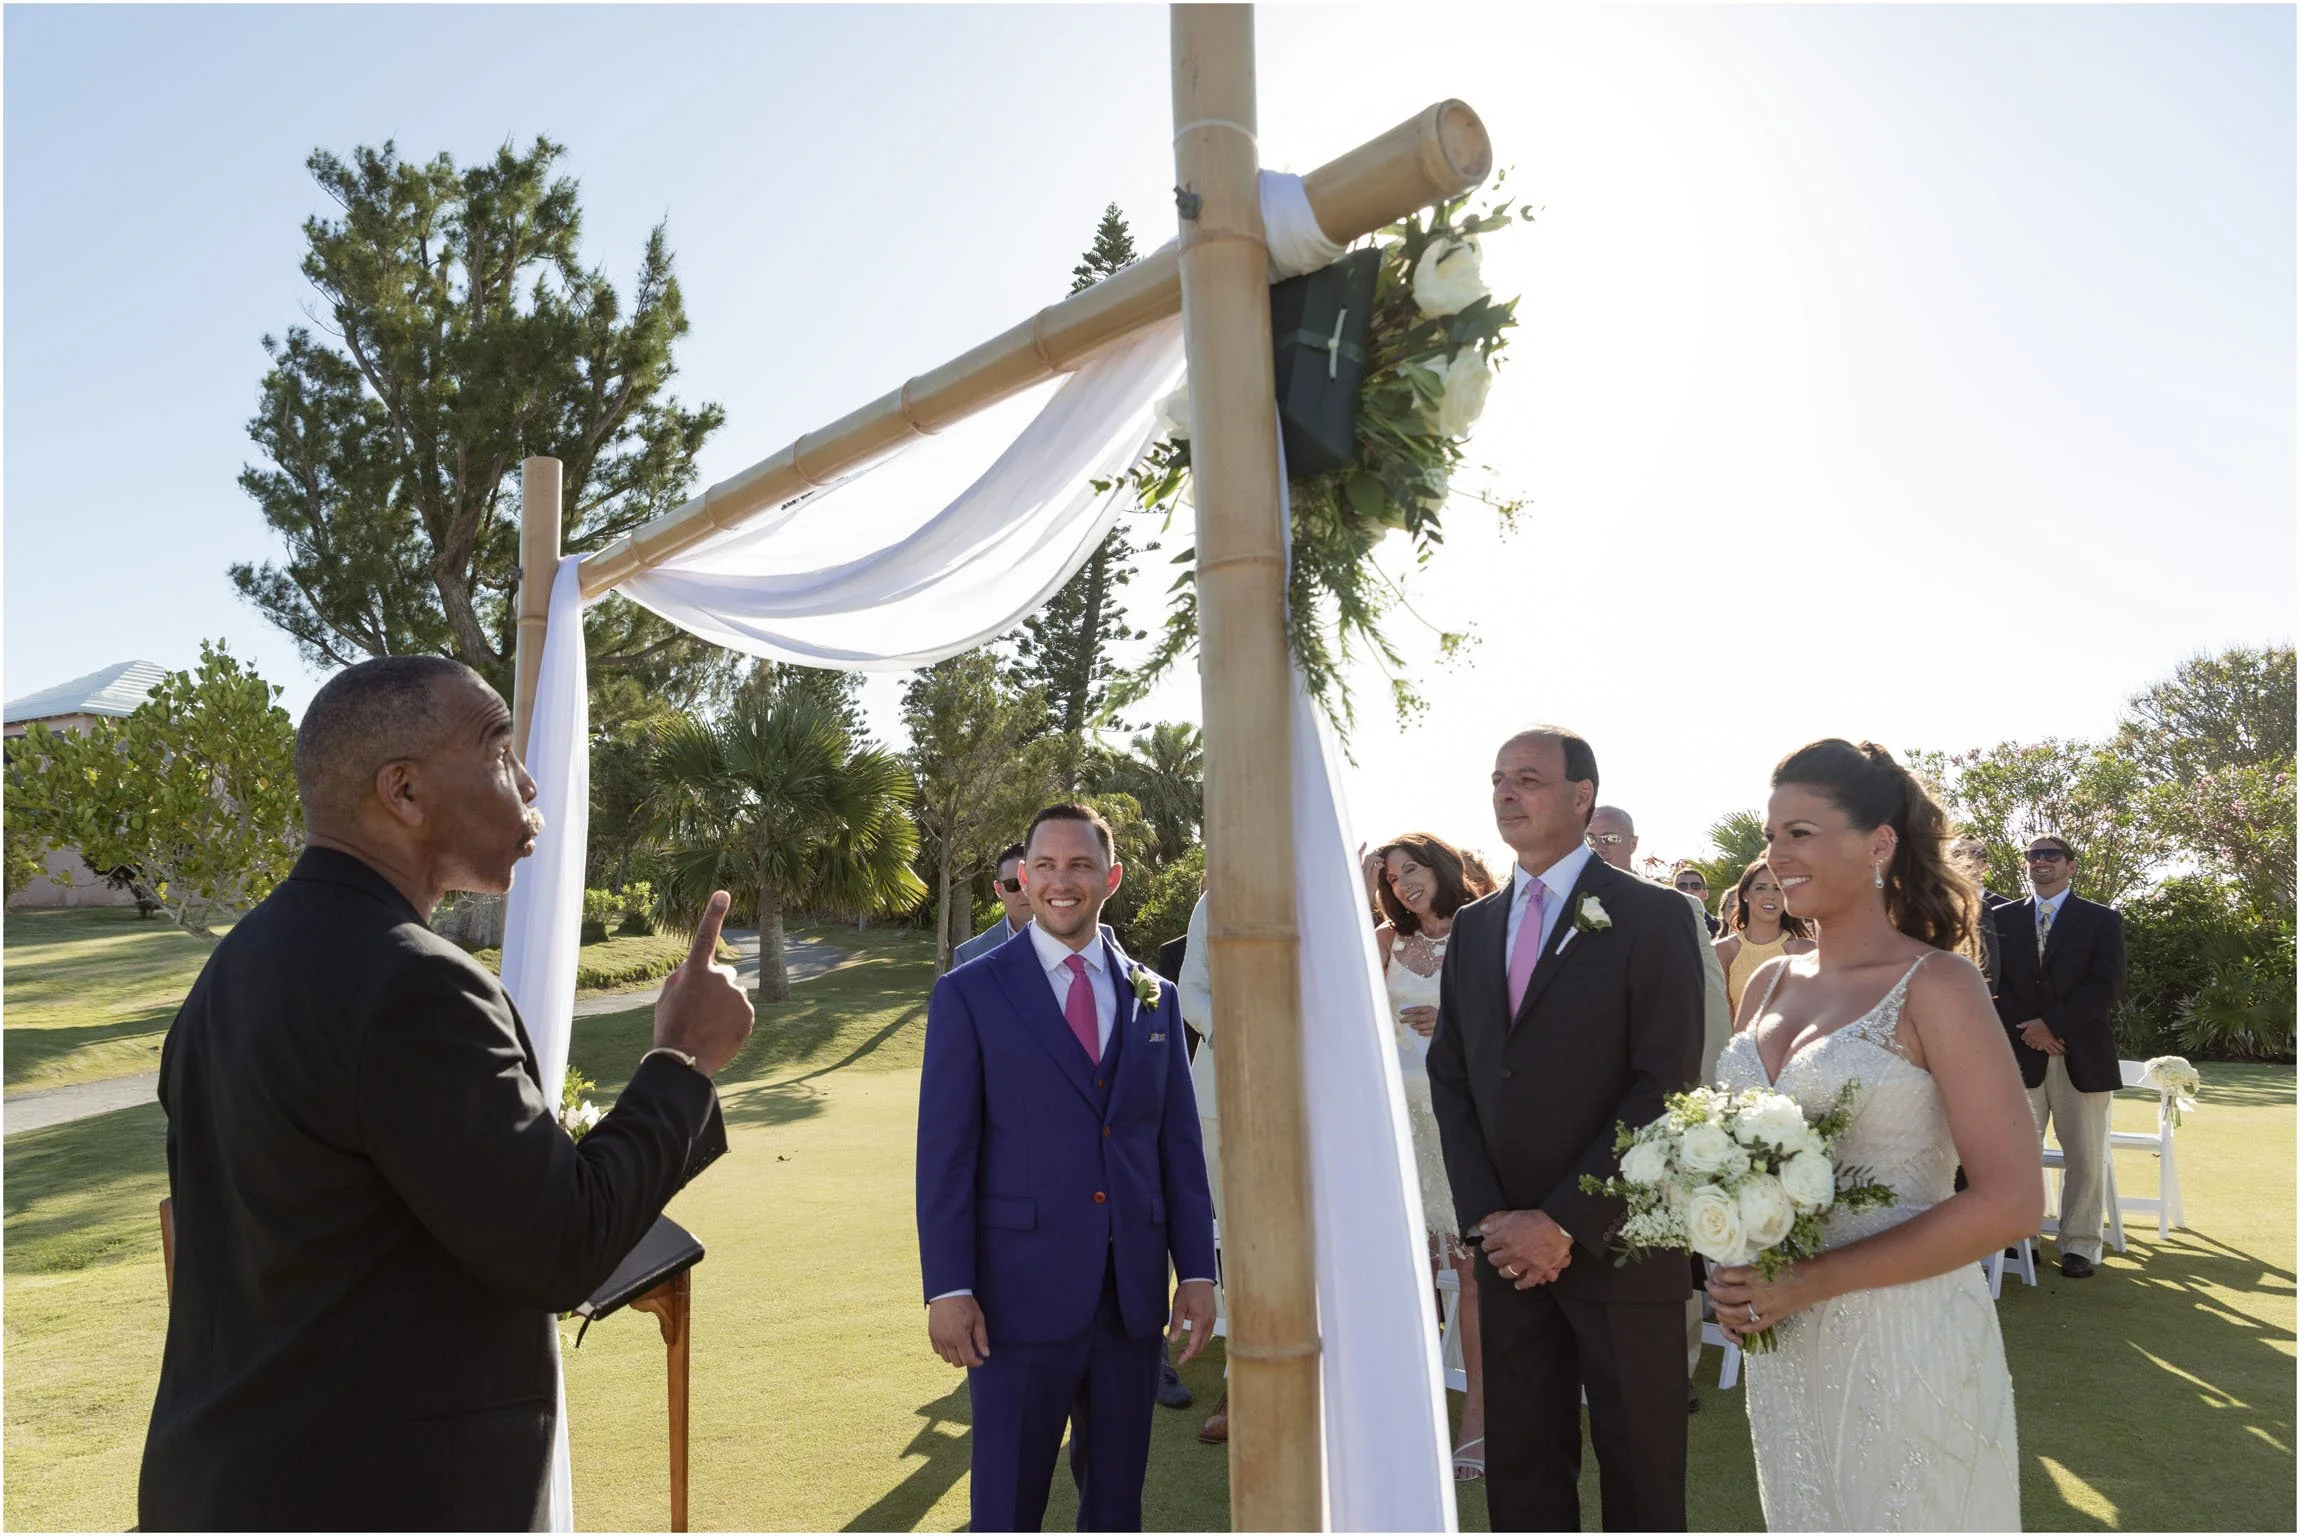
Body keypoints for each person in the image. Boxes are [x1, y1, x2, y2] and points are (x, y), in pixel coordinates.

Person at [139, 656, 752, 1532]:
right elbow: (561, 1247)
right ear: (405, 792)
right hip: (376, 1496)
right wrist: (680, 1063)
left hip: (225, 1484)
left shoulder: (234, 968)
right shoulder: (413, 985)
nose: (529, 779)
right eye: (499, 745)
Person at [1709, 739, 2041, 1530]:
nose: (1777, 856)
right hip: (1784, 1344)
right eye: (1770, 835)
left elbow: (2012, 1202)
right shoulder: (1767, 983)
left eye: (1801, 832)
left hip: (1906, 1334)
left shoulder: (1939, 985)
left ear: (1879, 844)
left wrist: (1814, 1280)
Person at [1427, 728, 1705, 1531]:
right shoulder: (1475, 927)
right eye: (1497, 781)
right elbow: (1454, 1077)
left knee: (1642, 1475)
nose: (1506, 794)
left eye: (1528, 780)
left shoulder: (1655, 916)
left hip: (1619, 1241)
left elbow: (1666, 1086)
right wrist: (1493, 1222)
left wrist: (1563, 1222)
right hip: (1509, 1251)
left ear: (1582, 796)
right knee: (1521, 1468)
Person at [915, 804, 1217, 1532]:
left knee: (1116, 1506)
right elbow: (946, 1155)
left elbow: (1177, 1147)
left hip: (1130, 1300)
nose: (1060, 881)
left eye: (1079, 865)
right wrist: (948, 1288)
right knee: (1007, 1505)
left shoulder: (1156, 996)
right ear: (1023, 875)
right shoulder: (971, 993)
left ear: (1109, 877)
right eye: (1044, 866)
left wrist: (1199, 1272)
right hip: (1014, 1300)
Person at [1586, 804, 1733, 1408]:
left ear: (1634, 844)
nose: (1598, 847)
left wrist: (1697, 1102)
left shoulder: (1673, 909)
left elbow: (1708, 1008)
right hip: (1577, 1117)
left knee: (1666, 1244)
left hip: (1658, 1106)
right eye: (1589, 837)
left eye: (1611, 838)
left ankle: (1674, 1371)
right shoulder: (1541, 913)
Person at [1371, 832, 1499, 1481]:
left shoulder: (1486, 928)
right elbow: (1348, 1009)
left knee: (1474, 1279)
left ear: (1440, 866)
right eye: (1391, 877)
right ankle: (1407, 1424)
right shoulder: (1387, 943)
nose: (1402, 884)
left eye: (1411, 869)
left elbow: (1518, 1021)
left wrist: (1450, 1024)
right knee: (1410, 1283)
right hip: (1400, 1124)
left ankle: (1478, 1429)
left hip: (1463, 1122)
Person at [1991, 834, 2128, 1279]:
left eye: (2051, 855)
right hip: (2021, 1052)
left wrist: (2054, 1026)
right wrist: (2033, 1030)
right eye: (2034, 855)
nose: (2041, 862)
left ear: (2070, 865)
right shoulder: (2001, 918)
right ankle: (2021, 1240)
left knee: (2085, 1156)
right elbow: (1996, 984)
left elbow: (2106, 985)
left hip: (2080, 1053)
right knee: (2018, 1154)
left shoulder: (2101, 920)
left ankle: (2080, 1245)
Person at [1173, 892, 1229, 1445]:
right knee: (1233, 1235)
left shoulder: (1328, 885)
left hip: (1313, 1091)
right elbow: (1190, 988)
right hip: (1220, 1091)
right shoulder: (1214, 900)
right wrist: (1233, 1028)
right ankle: (1243, 1378)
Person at [1714, 858, 1817, 1019]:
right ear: (1745, 894)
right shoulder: (1723, 951)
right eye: (1761, 888)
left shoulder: (1808, 951)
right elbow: (1720, 1019)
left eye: (1778, 889)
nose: (1770, 896)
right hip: (1736, 1042)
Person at [952, 841, 1032, 967]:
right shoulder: (969, 956)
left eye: (1030, 882)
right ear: (999, 890)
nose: (1024, 892)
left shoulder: (1072, 944)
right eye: (1013, 884)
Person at [1670, 863, 1721, 935]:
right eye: (1682, 886)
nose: (1688, 891)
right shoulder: (1660, 925)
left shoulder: (1721, 927)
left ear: (1706, 894)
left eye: (1696, 887)